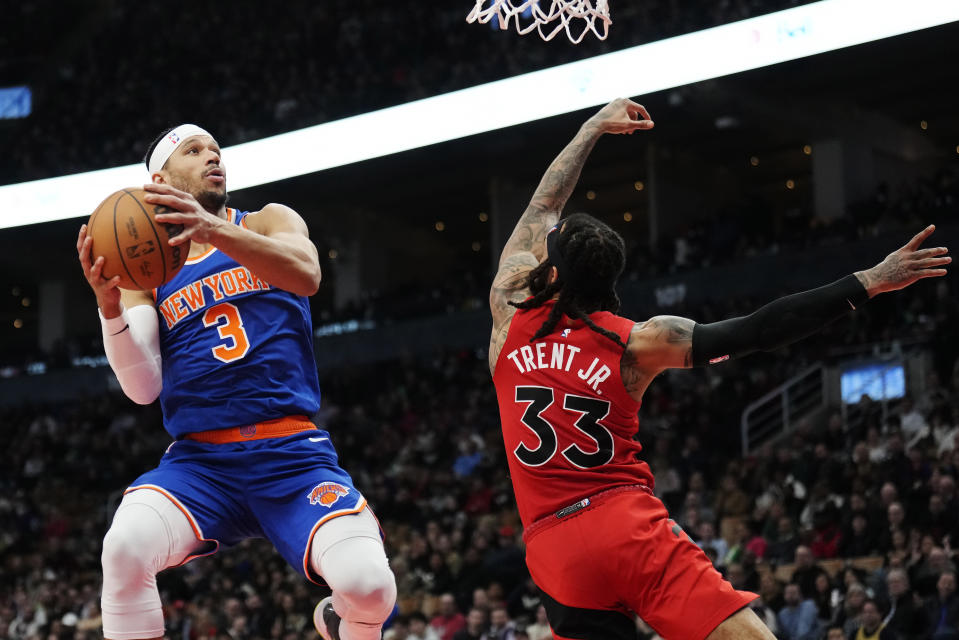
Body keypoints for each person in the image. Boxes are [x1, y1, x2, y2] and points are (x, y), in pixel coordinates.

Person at [487, 98, 951, 640]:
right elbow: (756, 330)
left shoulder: (509, 306)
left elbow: (543, 206)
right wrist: (869, 281)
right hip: (623, 524)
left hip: (554, 548)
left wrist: (590, 129)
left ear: (553, 267)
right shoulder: (638, 341)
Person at [76, 124, 396, 640]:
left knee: (371, 587)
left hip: (291, 454)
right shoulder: (148, 273)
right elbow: (143, 387)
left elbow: (306, 275)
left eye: (217, 151)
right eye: (195, 151)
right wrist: (109, 308)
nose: (213, 157)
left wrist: (213, 231)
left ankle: (343, 623)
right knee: (123, 549)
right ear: (160, 179)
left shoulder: (270, 220)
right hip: (202, 465)